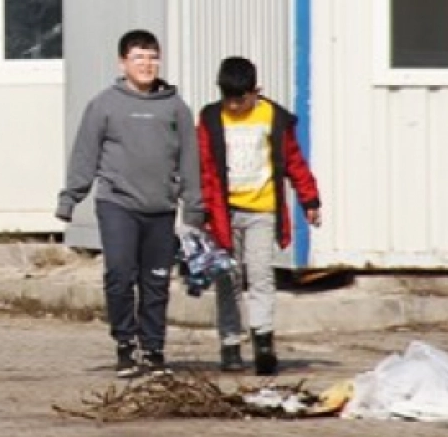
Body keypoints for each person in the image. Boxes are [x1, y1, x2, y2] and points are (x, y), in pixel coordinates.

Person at [56, 29, 201, 376]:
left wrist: (194, 205)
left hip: (160, 207)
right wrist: (71, 198)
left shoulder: (175, 108)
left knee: (156, 280)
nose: (147, 64)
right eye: (139, 58)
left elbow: (190, 160)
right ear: (123, 63)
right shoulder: (104, 105)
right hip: (117, 204)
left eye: (152, 57)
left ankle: (152, 348)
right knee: (120, 275)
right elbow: (85, 153)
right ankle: (125, 342)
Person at [197, 56, 323, 376]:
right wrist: (200, 211)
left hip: (262, 211)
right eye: (228, 97)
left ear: (256, 91)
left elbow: (293, 162)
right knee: (227, 279)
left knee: (261, 275)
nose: (235, 105)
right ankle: (229, 344)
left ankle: (263, 341)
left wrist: (309, 199)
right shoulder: (211, 119)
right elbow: (203, 168)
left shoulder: (273, 118)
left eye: (241, 98)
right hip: (224, 214)